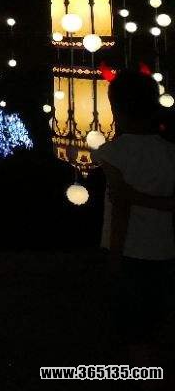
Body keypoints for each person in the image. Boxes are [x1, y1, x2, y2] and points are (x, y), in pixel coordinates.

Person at [91, 70, 175, 364]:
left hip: (129, 252)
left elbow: (120, 209)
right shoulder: (169, 153)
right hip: (164, 250)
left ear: (116, 109)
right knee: (155, 322)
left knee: (132, 327)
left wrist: (113, 257)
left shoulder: (113, 154)